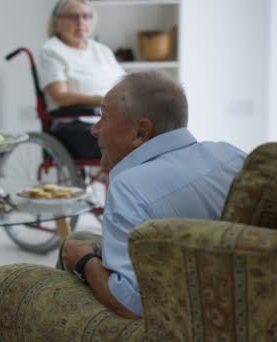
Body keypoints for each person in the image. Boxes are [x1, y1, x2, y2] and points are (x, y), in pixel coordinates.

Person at [57, 71, 246, 318]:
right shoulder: (231, 155)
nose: (95, 129)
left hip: (175, 319)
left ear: (141, 132)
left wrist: (85, 262)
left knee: (65, 253)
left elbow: (131, 302)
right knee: (83, 237)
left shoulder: (128, 187)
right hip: (237, 297)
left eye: (104, 118)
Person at [39, 0, 125, 159]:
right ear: (56, 22)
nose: (81, 22)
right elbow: (60, 96)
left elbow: (125, 84)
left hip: (112, 119)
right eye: (73, 16)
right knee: (129, 142)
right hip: (74, 123)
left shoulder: (101, 50)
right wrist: (100, 100)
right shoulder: (51, 51)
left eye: (86, 16)